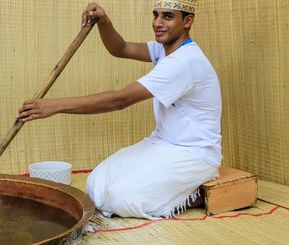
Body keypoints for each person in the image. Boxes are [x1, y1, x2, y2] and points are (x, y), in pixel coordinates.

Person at [17, 0, 222, 220]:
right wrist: (104, 21)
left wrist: (55, 106)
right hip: (161, 143)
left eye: (168, 17)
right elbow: (120, 48)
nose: (158, 23)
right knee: (96, 183)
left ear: (187, 22)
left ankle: (195, 195)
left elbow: (120, 100)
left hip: (194, 153)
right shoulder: (163, 50)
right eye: (156, 15)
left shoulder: (184, 61)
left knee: (121, 198)